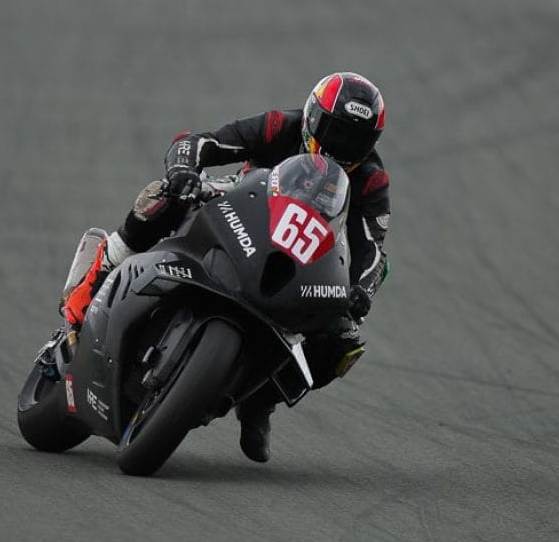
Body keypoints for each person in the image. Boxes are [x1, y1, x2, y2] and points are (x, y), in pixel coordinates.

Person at [62, 71, 390, 463]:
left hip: (301, 261)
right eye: (336, 133)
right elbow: (200, 142)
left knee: (344, 341)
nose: (341, 147)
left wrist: (361, 290)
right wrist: (183, 171)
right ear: (312, 119)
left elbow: (373, 249)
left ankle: (260, 401)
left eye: (355, 140)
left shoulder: (370, 180)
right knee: (162, 196)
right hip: (241, 207)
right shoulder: (278, 126)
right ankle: (92, 283)